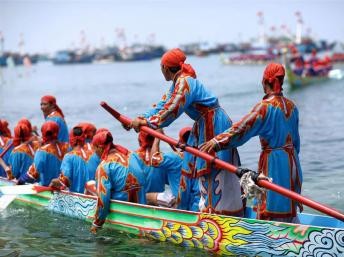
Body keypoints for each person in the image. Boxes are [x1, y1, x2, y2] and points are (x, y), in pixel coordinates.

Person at [129, 48, 243, 216]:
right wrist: (139, 119)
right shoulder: (177, 83)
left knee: (214, 168)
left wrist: (147, 122)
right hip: (203, 124)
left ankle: (219, 213)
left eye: (161, 68)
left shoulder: (185, 82)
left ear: (166, 68)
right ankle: (196, 210)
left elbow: (173, 109)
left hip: (214, 125)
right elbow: (162, 105)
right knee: (192, 166)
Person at [200, 63, 303, 223]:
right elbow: (296, 142)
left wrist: (217, 141)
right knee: (287, 204)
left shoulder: (265, 107)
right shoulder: (292, 106)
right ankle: (295, 234)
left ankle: (268, 239)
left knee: (269, 206)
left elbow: (242, 129)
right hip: (293, 161)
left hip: (275, 163)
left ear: (264, 81)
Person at [91, 131, 146, 233]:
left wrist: (97, 224)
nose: (95, 153)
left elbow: (103, 201)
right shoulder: (133, 155)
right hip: (142, 212)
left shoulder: (104, 166)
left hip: (123, 213)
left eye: (94, 149)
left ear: (99, 148)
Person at [138, 130, 182, 208]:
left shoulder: (132, 157)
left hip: (143, 201)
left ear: (139, 141)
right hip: (160, 204)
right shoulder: (166, 160)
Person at [17, 121, 69, 186]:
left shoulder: (42, 151)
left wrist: (20, 180)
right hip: (65, 187)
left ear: (43, 133)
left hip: (47, 188)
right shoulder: (67, 146)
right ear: (57, 132)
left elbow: (33, 173)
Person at [50, 126, 91, 193]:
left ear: (74, 140)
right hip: (93, 196)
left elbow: (64, 181)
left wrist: (53, 182)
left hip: (78, 197)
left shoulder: (69, 157)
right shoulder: (93, 154)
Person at [176, 127, 200, 211]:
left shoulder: (188, 157)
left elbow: (184, 188)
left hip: (196, 204)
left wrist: (179, 210)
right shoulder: (206, 151)